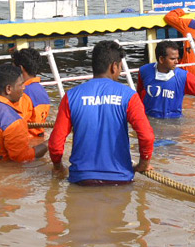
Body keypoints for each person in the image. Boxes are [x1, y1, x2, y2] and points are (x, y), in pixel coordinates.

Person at [48, 40, 154, 184]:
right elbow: (147, 136)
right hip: (120, 180)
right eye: (120, 67)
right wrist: (144, 163)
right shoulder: (129, 96)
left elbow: (55, 143)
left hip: (81, 181)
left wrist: (58, 166)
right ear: (114, 66)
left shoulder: (71, 96)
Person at [10, 47, 52, 135]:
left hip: (27, 140)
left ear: (20, 68)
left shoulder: (23, 93)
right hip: (39, 136)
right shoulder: (42, 90)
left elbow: (14, 125)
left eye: (13, 68)